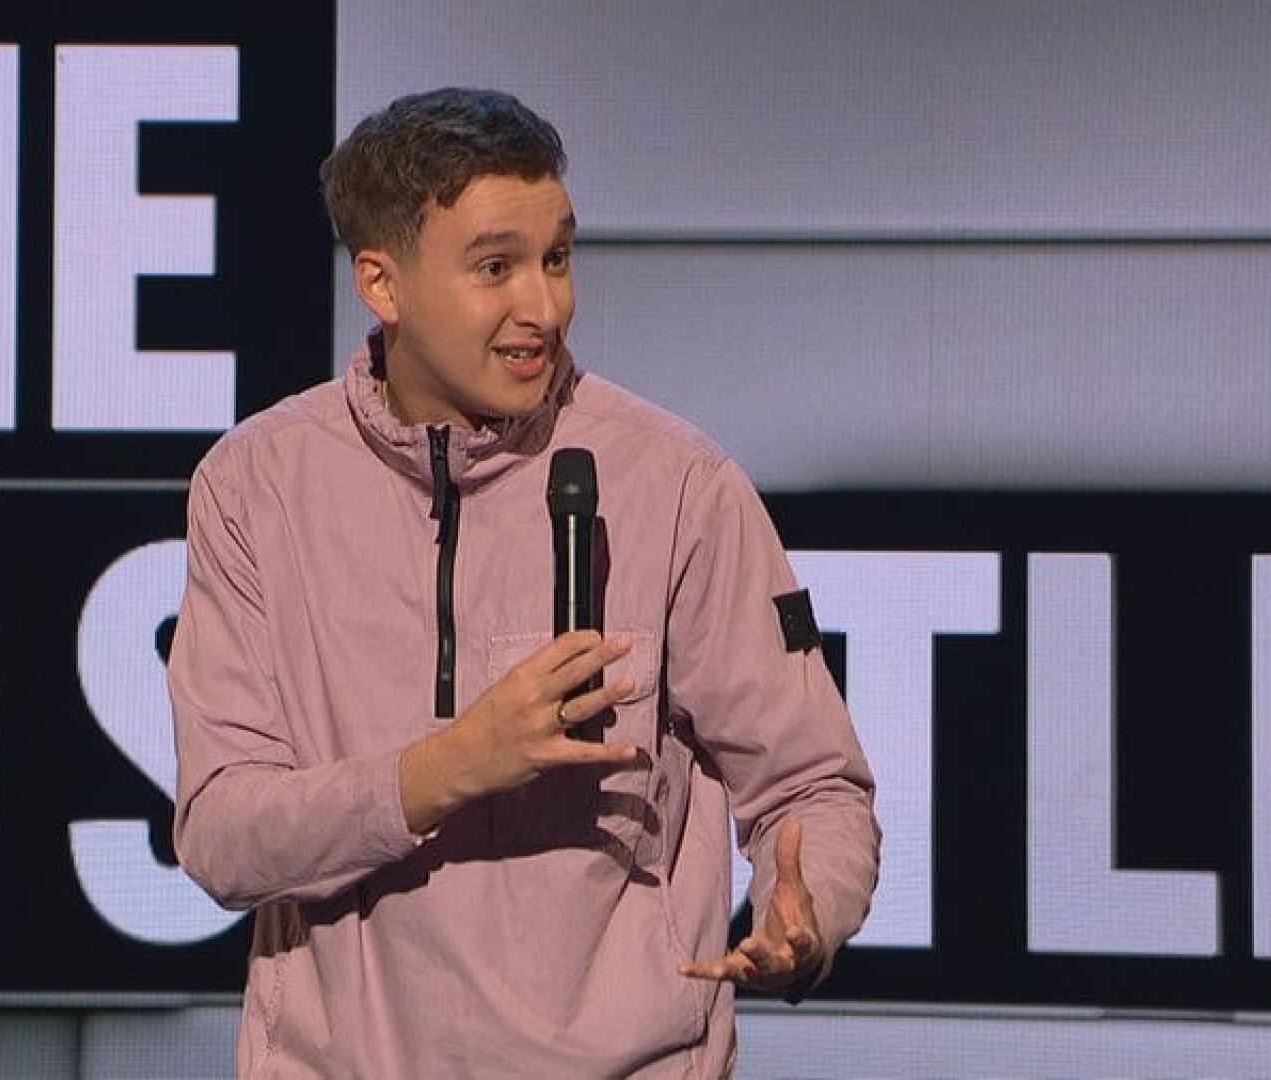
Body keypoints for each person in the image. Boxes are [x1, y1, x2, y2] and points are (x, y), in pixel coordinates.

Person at [167, 87, 879, 1078]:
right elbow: (221, 835)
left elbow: (811, 785)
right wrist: (447, 767)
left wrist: (809, 911)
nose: (542, 307)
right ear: (381, 282)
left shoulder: (678, 484)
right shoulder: (255, 487)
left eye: (557, 259)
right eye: (495, 267)